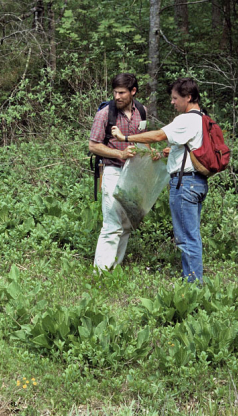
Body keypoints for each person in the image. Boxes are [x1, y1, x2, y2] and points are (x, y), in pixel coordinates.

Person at [112, 77, 207, 282]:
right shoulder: (202, 118)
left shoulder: (186, 119)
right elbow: (192, 146)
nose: (172, 102)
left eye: (175, 98)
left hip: (185, 184)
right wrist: (172, 151)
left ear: (188, 97)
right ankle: (194, 282)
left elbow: (156, 136)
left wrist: (125, 138)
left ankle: (193, 287)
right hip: (198, 182)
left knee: (186, 239)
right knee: (193, 235)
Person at [88, 73, 148, 272]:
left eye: (122, 92)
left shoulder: (142, 111)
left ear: (133, 91)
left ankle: (115, 268)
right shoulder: (105, 113)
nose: (117, 96)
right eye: (115, 92)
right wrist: (119, 152)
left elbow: (143, 139)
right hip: (113, 169)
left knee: (127, 222)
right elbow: (93, 146)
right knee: (112, 222)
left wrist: (151, 153)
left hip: (134, 173)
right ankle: (100, 272)